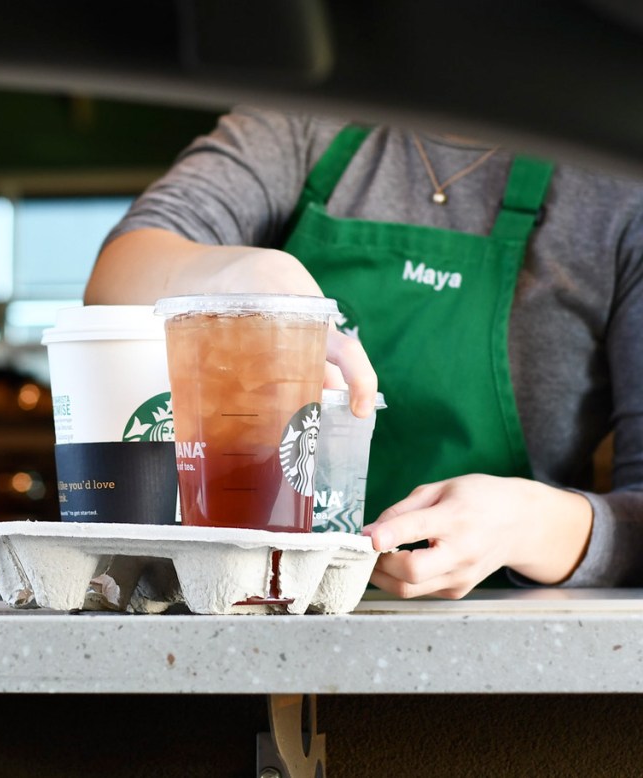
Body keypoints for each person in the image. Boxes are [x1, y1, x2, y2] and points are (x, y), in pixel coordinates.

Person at [83, 106, 643, 598]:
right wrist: (238, 280)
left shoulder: (617, 180)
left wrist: (532, 525)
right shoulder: (303, 122)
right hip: (250, 602)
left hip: (496, 650)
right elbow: (118, 276)